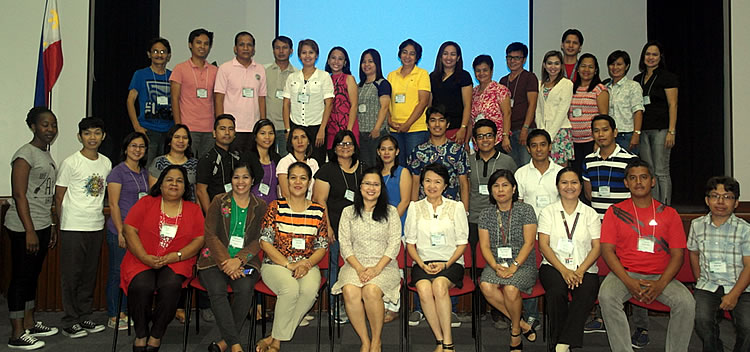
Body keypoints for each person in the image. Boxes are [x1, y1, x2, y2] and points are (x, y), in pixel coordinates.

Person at [598, 158, 695, 352]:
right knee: (606, 296)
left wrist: (660, 285)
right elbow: (607, 251)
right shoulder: (614, 211)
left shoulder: (669, 214)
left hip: (660, 276)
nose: (638, 182)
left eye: (643, 177)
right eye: (633, 178)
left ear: (652, 181)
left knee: (686, 303)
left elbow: (678, 255)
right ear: (626, 183)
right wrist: (628, 281)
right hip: (624, 273)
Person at [121, 165, 205, 352]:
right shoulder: (146, 203)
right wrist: (144, 256)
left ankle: (156, 334)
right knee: (142, 286)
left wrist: (177, 256)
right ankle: (141, 333)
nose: (174, 184)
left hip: (178, 260)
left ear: (185, 187)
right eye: (169, 180)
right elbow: (129, 229)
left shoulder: (193, 210)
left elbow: (200, 239)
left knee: (170, 287)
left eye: (179, 181)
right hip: (142, 257)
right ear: (160, 184)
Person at [256, 162, 329, 352]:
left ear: (309, 182)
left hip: (307, 264)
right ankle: (277, 342)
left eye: (303, 178)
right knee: (289, 289)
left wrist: (307, 263)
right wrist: (288, 264)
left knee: (309, 291)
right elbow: (264, 242)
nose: (298, 182)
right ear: (286, 181)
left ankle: (274, 336)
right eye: (293, 177)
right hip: (276, 264)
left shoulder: (318, 211)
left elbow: (322, 246)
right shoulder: (275, 207)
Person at [198, 162, 267, 352]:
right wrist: (226, 262)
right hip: (213, 259)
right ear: (231, 179)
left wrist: (239, 260)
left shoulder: (260, 206)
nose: (240, 181)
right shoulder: (219, 200)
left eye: (245, 177)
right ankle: (236, 345)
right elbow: (210, 234)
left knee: (245, 287)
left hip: (246, 260)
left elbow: (259, 238)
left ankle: (224, 343)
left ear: (252, 180)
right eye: (236, 177)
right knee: (217, 289)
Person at [331, 168, 402, 352]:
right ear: (360, 187)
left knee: (371, 291)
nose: (371, 188)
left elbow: (394, 244)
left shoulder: (390, 211)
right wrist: (360, 269)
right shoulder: (348, 212)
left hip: (384, 266)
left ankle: (376, 340)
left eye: (376, 184)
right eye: (367, 183)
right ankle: (365, 340)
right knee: (350, 291)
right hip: (355, 264)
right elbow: (344, 245)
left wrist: (376, 269)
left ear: (381, 188)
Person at [5, 107, 59, 350]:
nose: (50, 129)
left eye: (53, 125)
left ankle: (29, 323)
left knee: (31, 277)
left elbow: (45, 196)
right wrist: (29, 230)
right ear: (33, 126)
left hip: (41, 224)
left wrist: (51, 224)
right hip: (22, 227)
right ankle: (16, 334)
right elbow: (19, 194)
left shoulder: (44, 154)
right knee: (20, 278)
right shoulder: (24, 154)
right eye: (45, 125)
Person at [55, 116, 112, 339]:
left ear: (103, 136)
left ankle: (84, 315)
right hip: (73, 225)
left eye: (97, 132)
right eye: (87, 133)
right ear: (79, 136)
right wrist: (62, 224)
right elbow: (59, 196)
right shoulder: (71, 162)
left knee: (89, 274)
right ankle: (70, 320)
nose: (92, 137)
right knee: (71, 275)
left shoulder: (106, 163)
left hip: (96, 225)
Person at [405, 163, 469, 352]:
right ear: (422, 183)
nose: (432, 186)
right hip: (423, 263)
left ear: (445, 185)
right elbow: (410, 243)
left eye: (437, 182)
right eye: (428, 181)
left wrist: (446, 264)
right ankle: (439, 340)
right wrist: (421, 264)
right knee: (424, 289)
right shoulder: (414, 207)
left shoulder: (456, 207)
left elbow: (462, 243)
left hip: (452, 262)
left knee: (439, 285)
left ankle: (448, 341)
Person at [538, 167, 601, 351]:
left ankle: (560, 343)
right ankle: (564, 342)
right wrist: (564, 271)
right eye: (564, 182)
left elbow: (597, 247)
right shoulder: (548, 212)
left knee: (585, 292)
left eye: (574, 182)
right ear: (558, 187)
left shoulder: (590, 213)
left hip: (584, 267)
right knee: (556, 292)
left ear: (581, 186)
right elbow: (544, 245)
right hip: (553, 266)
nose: (569, 187)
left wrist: (580, 270)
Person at [478, 169, 538, 352]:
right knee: (486, 286)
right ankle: (520, 324)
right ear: (491, 191)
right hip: (496, 263)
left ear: (514, 189)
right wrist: (495, 266)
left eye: (505, 185)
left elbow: (529, 243)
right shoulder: (486, 214)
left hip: (523, 263)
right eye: (496, 186)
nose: (500, 190)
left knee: (511, 290)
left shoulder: (526, 210)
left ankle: (515, 332)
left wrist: (514, 266)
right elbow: (485, 247)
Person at [688, 176, 750, 352]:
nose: (721, 201)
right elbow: (693, 253)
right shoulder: (697, 225)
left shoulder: (745, 229)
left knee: (748, 325)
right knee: (701, 320)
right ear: (707, 200)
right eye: (715, 196)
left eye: (728, 197)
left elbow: (749, 265)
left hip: (741, 287)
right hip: (708, 285)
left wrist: (734, 295)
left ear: (736, 202)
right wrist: (699, 278)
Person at [313, 130, 364, 323]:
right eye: (341, 144)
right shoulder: (327, 169)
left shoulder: (363, 169)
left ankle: (356, 302)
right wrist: (328, 227)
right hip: (334, 225)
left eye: (349, 143)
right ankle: (335, 304)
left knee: (357, 265)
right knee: (335, 265)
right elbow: (319, 200)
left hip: (358, 228)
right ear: (334, 148)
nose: (345, 147)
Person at [105, 132, 150, 331]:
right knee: (117, 272)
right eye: (133, 146)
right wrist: (121, 231)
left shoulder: (144, 172)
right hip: (120, 231)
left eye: (141, 146)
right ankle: (114, 314)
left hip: (138, 233)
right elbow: (113, 205)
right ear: (125, 148)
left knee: (132, 273)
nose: (137, 150)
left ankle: (125, 310)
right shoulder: (118, 172)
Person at [633, 40, 679, 205]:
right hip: (643, 130)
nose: (650, 57)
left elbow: (673, 104)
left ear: (660, 57)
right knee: (649, 171)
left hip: (661, 130)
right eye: (647, 54)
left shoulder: (668, 77)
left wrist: (671, 131)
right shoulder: (637, 79)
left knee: (661, 171)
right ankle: (653, 205)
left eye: (654, 54)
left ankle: (665, 207)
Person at [375, 135, 412, 323]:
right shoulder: (374, 175)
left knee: (397, 267)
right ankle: (381, 303)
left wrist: (390, 222)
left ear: (397, 152)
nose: (387, 152)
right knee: (381, 266)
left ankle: (394, 306)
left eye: (390, 149)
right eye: (383, 149)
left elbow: (405, 201)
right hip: (378, 226)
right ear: (378, 152)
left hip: (399, 224)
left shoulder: (403, 172)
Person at [468, 119, 517, 253]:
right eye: (480, 136)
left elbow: (515, 191)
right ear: (475, 140)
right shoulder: (468, 161)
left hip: (501, 218)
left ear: (496, 138)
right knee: (475, 259)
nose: (485, 140)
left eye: (489, 135)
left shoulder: (507, 161)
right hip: (473, 218)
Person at [282, 39, 333, 165]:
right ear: (299, 56)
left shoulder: (324, 76)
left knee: (316, 163)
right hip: (296, 126)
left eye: (311, 52)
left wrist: (322, 129)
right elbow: (286, 104)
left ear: (316, 55)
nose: (307, 56)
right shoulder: (292, 77)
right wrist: (288, 129)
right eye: (304, 53)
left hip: (316, 128)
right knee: (295, 163)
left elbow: (329, 104)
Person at [214, 31, 267, 153]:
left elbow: (261, 98)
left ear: (253, 49)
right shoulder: (225, 68)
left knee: (250, 166)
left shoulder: (260, 69)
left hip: (253, 128)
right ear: (235, 48)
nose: (246, 48)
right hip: (232, 129)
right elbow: (218, 98)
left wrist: (263, 125)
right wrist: (219, 126)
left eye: (249, 45)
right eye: (242, 45)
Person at [407, 105, 469, 208]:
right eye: (432, 120)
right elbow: (415, 183)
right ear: (427, 124)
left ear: (447, 124)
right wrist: (414, 210)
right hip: (425, 209)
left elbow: (463, 183)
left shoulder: (458, 150)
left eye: (441, 120)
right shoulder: (418, 151)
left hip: (451, 209)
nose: (437, 124)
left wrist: (465, 212)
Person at [170, 28, 218, 159]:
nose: (202, 47)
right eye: (198, 42)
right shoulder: (180, 69)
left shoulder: (215, 71)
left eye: (206, 44)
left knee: (205, 168)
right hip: (188, 127)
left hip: (209, 129)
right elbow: (174, 98)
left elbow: (217, 100)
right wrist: (179, 126)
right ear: (190, 45)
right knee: (186, 165)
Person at [126, 38, 173, 162]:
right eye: (155, 51)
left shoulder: (172, 76)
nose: (159, 55)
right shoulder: (140, 74)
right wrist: (137, 126)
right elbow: (130, 101)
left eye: (163, 52)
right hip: (147, 129)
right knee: (147, 168)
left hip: (168, 131)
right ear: (149, 54)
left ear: (168, 56)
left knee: (165, 168)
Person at [583, 115, 638, 218]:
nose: (601, 134)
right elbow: (588, 194)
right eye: (596, 131)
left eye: (605, 130)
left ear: (615, 132)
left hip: (623, 220)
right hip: (597, 221)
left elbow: (637, 193)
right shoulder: (588, 160)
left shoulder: (630, 160)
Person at [387, 39, 431, 166]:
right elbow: (387, 102)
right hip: (395, 128)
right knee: (397, 166)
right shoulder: (391, 75)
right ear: (399, 54)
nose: (407, 56)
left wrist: (407, 124)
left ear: (417, 57)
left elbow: (423, 102)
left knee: (415, 166)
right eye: (404, 52)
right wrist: (389, 120)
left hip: (416, 128)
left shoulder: (422, 74)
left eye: (412, 53)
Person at [499, 42, 538, 167]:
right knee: (511, 168)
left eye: (517, 58)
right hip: (508, 132)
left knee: (526, 167)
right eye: (509, 57)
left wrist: (525, 129)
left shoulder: (529, 77)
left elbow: (532, 104)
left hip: (524, 130)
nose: (512, 61)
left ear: (524, 60)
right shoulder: (503, 81)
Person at [569, 53, 608, 174]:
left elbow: (604, 118)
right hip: (573, 141)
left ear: (596, 70)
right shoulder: (571, 87)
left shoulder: (600, 89)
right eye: (583, 66)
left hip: (591, 141)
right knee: (576, 175)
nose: (586, 70)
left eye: (590, 67)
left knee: (591, 174)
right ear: (578, 69)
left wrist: (598, 142)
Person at [430, 41, 473, 144]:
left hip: (456, 129)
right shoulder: (432, 77)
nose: (448, 57)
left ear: (458, 58)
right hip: (436, 129)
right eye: (445, 54)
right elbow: (429, 105)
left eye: (453, 54)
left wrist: (463, 128)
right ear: (440, 57)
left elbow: (467, 105)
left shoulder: (464, 76)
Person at [536, 50, 574, 166]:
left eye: (556, 63)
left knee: (560, 170)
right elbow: (538, 110)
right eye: (550, 63)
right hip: (543, 131)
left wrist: (549, 136)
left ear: (561, 66)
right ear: (544, 65)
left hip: (560, 131)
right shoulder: (539, 84)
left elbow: (562, 111)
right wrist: (541, 131)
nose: (553, 67)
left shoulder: (567, 84)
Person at [514, 129, 564, 217]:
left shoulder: (561, 172)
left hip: (556, 224)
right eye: (534, 146)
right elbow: (518, 204)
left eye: (543, 145)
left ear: (550, 146)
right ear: (528, 149)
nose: (539, 149)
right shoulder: (520, 173)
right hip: (530, 226)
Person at [357, 49, 391, 166]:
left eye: (370, 61)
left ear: (377, 63)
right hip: (362, 134)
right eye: (364, 62)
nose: (367, 65)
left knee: (379, 166)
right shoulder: (359, 86)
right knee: (365, 167)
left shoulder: (382, 83)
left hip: (377, 133)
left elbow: (385, 107)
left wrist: (376, 128)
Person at [606, 50, 644, 155]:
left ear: (626, 66)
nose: (615, 67)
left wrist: (636, 134)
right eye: (612, 64)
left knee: (628, 167)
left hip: (627, 135)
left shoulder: (633, 86)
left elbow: (638, 111)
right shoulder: (605, 88)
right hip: (609, 136)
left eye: (619, 64)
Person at [471, 55, 512, 152]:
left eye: (485, 70)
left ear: (491, 71)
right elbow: (470, 120)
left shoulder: (500, 90)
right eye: (478, 70)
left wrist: (505, 137)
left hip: (497, 141)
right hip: (479, 141)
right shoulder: (473, 92)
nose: (481, 73)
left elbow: (507, 113)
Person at [149, 124, 199, 202]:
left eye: (185, 138)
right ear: (169, 141)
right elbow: (154, 192)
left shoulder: (195, 164)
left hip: (189, 209)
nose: (181, 141)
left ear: (189, 142)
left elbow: (197, 193)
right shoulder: (159, 162)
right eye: (177, 137)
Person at [265, 36, 297, 157]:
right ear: (273, 50)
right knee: (268, 161)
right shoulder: (264, 71)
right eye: (277, 48)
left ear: (291, 51)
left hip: (287, 128)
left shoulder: (296, 74)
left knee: (286, 161)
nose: (281, 51)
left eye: (285, 48)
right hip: (269, 127)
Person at [325, 46, 360, 151]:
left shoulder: (349, 79)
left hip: (347, 126)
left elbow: (354, 106)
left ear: (345, 62)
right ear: (328, 60)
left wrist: (348, 131)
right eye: (333, 58)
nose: (336, 61)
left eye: (340, 59)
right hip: (331, 129)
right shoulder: (325, 79)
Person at [277, 126, 319, 200]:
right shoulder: (285, 162)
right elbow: (285, 194)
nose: (300, 141)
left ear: (308, 141)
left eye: (303, 137)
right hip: (288, 206)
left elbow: (316, 193)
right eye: (295, 138)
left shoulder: (313, 163)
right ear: (291, 142)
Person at [249, 119, 281, 205]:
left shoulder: (277, 158)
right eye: (263, 133)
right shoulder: (248, 158)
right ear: (255, 136)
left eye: (271, 133)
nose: (267, 137)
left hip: (273, 206)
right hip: (253, 206)